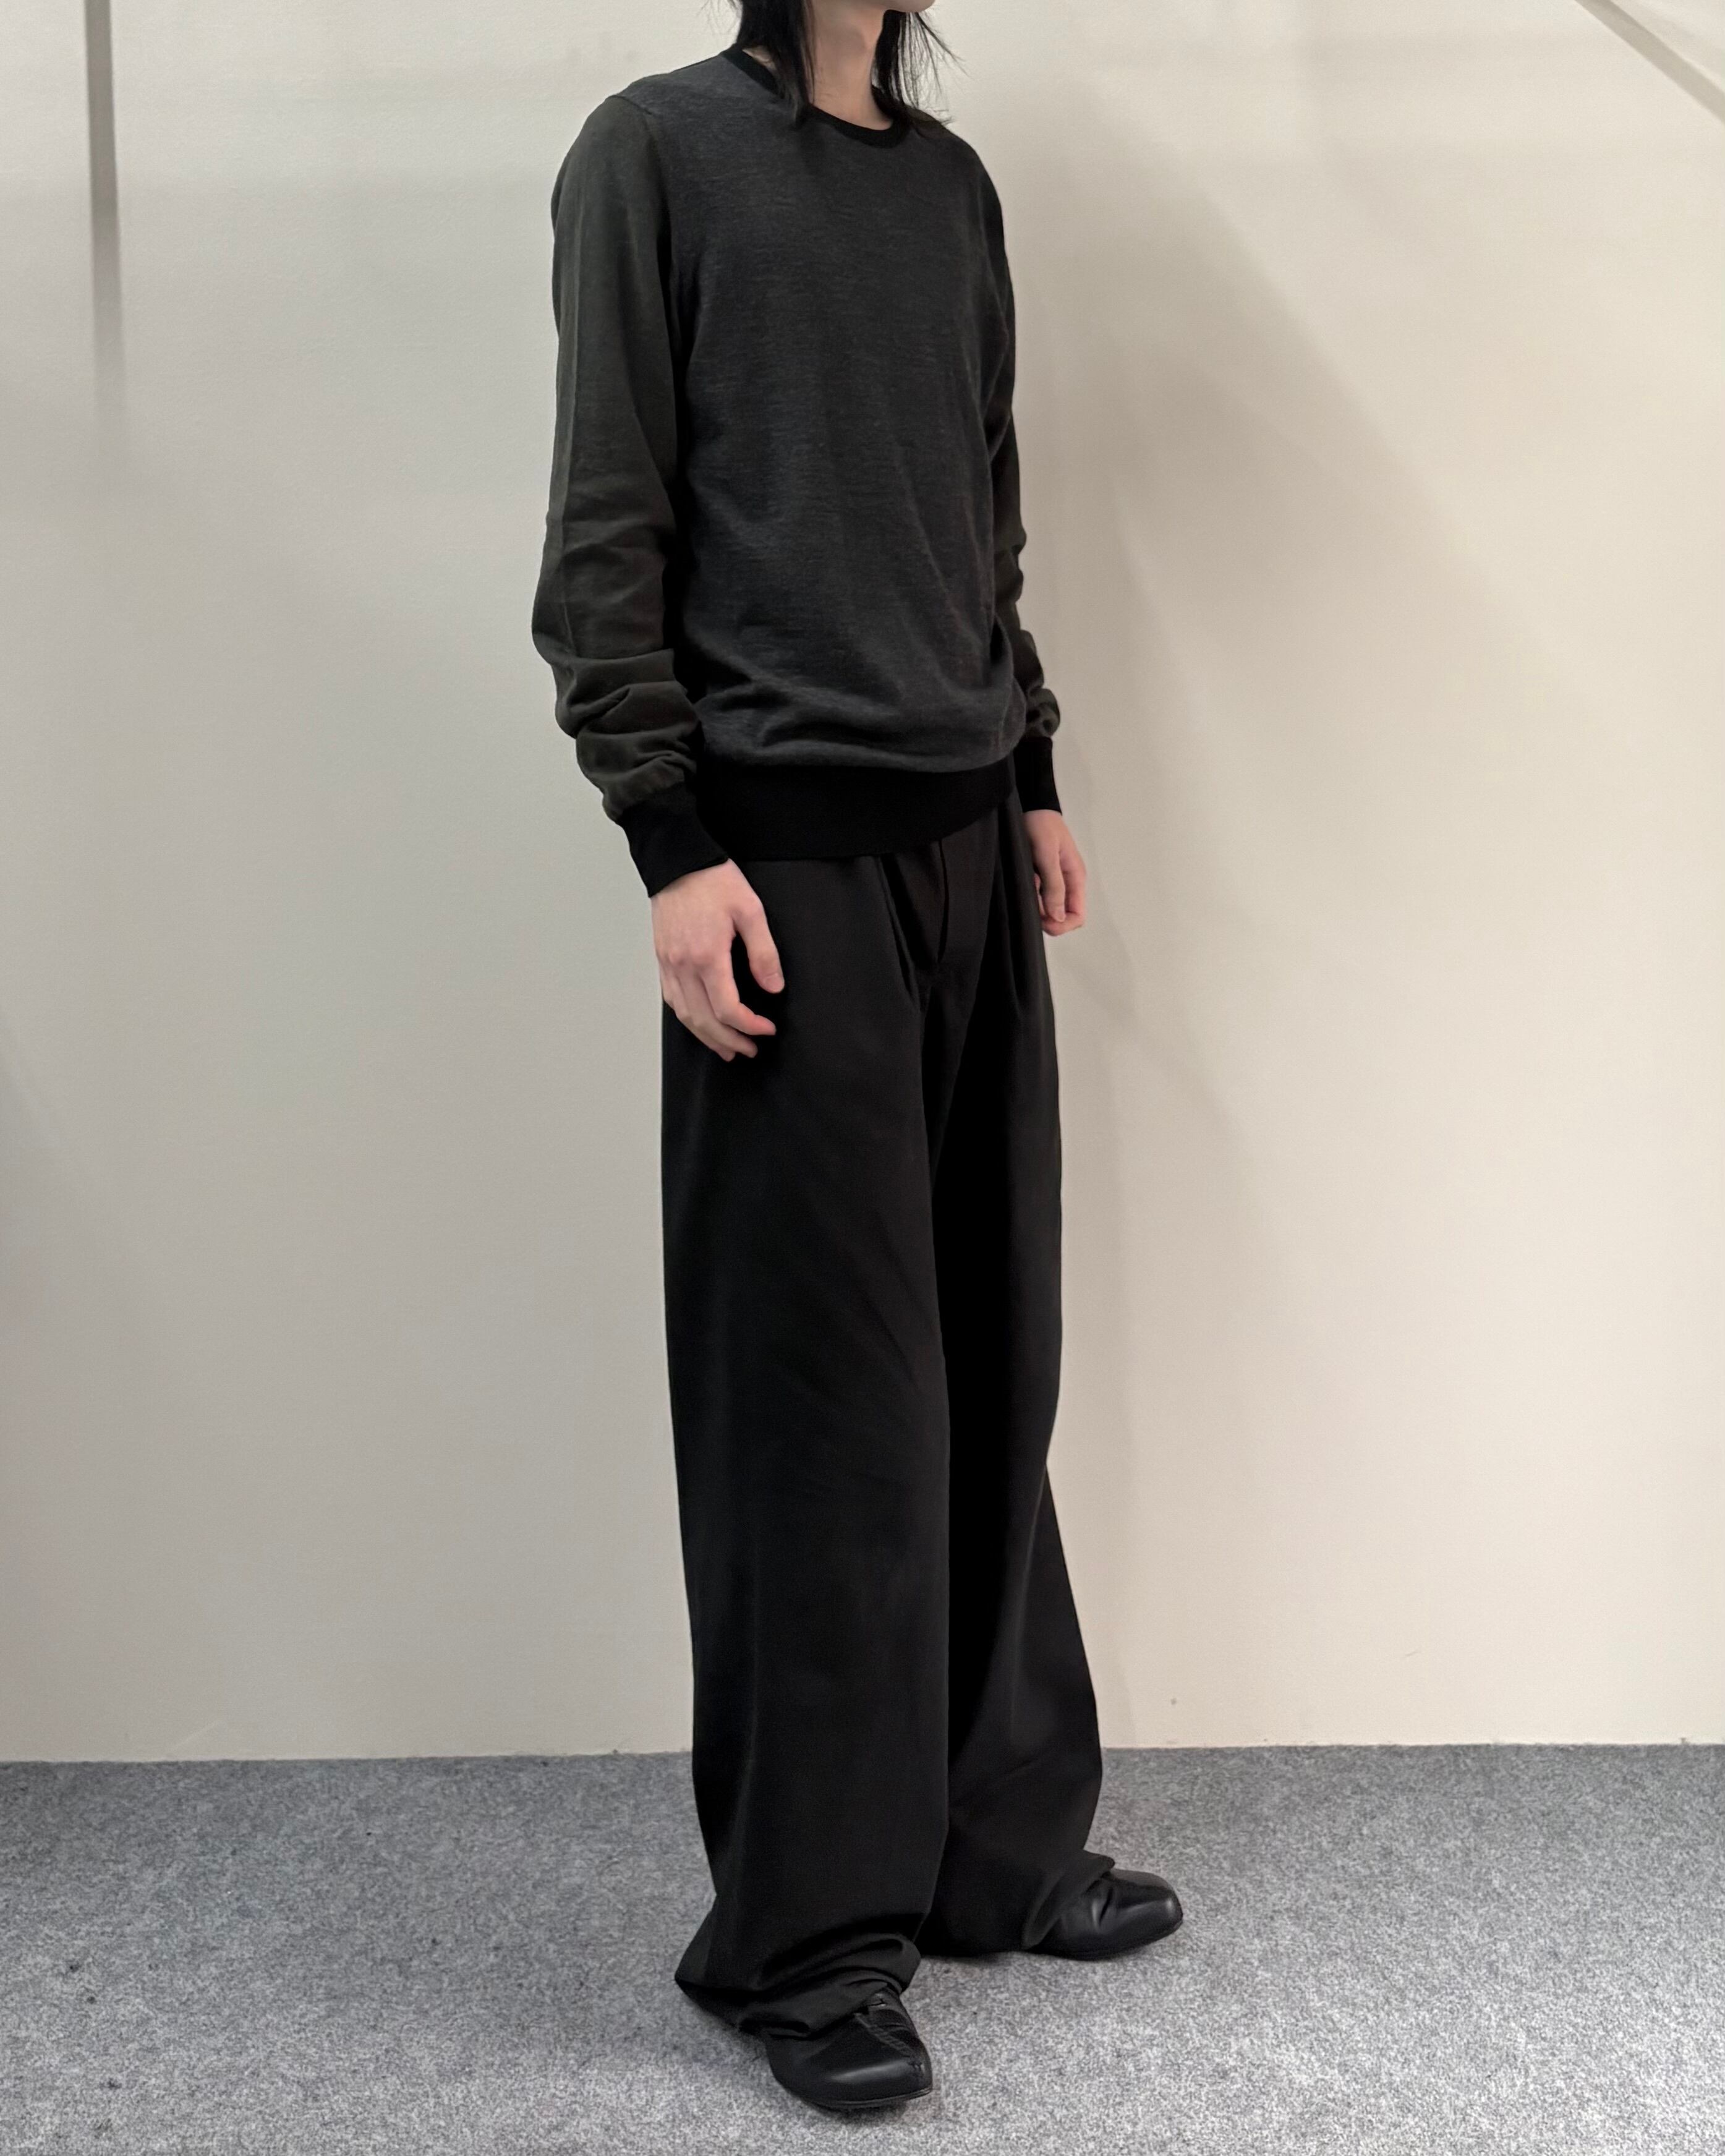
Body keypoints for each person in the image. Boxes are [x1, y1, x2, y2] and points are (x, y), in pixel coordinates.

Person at [532, 0, 1182, 2115]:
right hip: (780, 861)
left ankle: (990, 1850)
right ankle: (805, 1940)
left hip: (970, 837)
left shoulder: (953, 190)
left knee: (994, 1356)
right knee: (827, 1410)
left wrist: (1034, 759)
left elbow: (979, 509)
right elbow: (606, 523)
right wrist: (668, 840)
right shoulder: (655, 155)